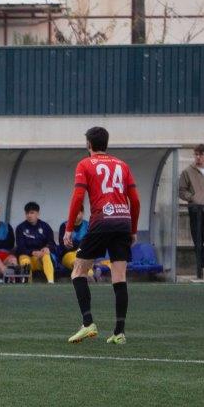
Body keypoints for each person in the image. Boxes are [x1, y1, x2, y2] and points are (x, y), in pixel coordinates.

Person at [64, 126, 140, 345]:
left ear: (88, 144)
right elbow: (135, 201)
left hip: (101, 221)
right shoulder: (122, 165)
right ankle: (119, 332)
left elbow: (78, 196)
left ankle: (88, 323)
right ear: (106, 143)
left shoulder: (85, 164)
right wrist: (133, 229)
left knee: (78, 271)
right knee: (119, 276)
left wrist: (69, 228)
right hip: (123, 222)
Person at [15, 201, 57, 283]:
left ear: (38, 214)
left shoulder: (45, 226)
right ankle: (28, 284)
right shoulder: (20, 228)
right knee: (25, 261)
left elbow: (52, 243)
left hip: (39, 258)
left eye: (32, 213)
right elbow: (20, 247)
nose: (29, 215)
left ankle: (51, 282)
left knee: (46, 256)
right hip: (26, 256)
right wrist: (32, 252)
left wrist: (47, 248)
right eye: (27, 213)